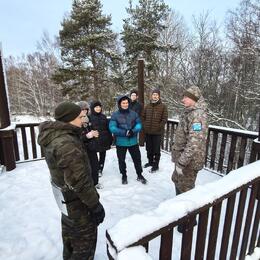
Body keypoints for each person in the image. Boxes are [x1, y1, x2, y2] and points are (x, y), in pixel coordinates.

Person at [38, 101, 105, 259]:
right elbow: (79, 181)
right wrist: (95, 205)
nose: (84, 120)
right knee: (83, 245)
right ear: (69, 119)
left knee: (70, 240)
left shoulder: (58, 136)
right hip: (78, 204)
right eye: (81, 117)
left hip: (66, 201)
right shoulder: (66, 144)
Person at [171, 86, 208, 232]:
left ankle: (187, 222)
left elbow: (194, 143)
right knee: (177, 182)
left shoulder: (198, 115)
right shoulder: (189, 112)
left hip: (189, 162)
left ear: (193, 99)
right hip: (182, 160)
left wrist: (182, 162)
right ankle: (181, 215)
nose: (183, 99)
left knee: (186, 190)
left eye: (186, 97)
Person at [109, 95, 147, 185]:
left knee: (137, 159)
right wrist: (124, 132)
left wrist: (133, 131)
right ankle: (124, 175)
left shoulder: (134, 114)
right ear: (119, 104)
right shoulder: (115, 115)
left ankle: (139, 174)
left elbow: (139, 124)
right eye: (123, 103)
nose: (125, 104)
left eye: (126, 103)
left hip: (133, 141)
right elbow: (112, 128)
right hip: (121, 142)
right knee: (121, 160)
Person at [142, 88, 168, 172]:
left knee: (156, 150)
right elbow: (143, 117)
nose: (155, 96)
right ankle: (150, 162)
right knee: (148, 149)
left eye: (156, 95)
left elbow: (164, 119)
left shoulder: (163, 106)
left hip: (157, 132)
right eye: (154, 95)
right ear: (151, 96)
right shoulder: (147, 106)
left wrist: (159, 126)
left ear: (159, 96)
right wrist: (144, 125)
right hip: (148, 132)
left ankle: (156, 165)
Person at [78, 101, 102, 189]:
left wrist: (94, 134)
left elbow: (92, 130)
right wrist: (87, 136)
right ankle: (88, 184)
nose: (84, 111)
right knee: (85, 167)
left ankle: (95, 182)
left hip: (92, 147)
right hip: (82, 148)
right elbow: (77, 137)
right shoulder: (76, 121)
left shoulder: (89, 119)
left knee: (95, 165)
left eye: (86, 109)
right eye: (82, 109)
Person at [89, 100, 112, 177]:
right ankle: (94, 169)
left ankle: (100, 169)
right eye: (96, 107)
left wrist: (110, 138)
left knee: (103, 155)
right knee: (93, 157)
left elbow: (108, 128)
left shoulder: (103, 116)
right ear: (93, 108)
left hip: (104, 139)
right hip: (94, 140)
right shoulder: (89, 117)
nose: (98, 108)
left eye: (99, 107)